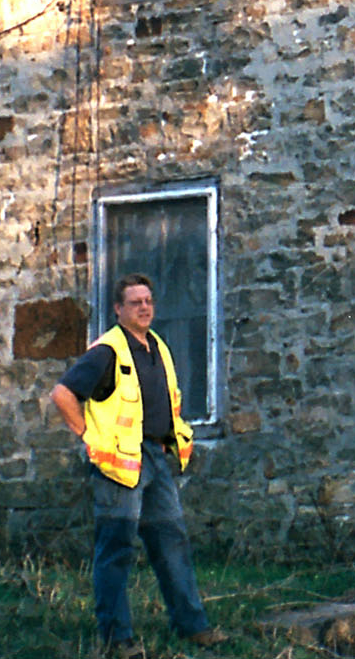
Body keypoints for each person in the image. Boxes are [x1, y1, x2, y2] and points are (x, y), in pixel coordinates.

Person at [49, 275, 228, 655]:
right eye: (135, 302)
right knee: (117, 549)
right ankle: (118, 640)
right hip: (119, 467)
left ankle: (192, 626)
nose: (144, 307)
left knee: (172, 543)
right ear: (118, 310)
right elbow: (62, 394)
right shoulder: (107, 351)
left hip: (155, 459)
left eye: (148, 300)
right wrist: (89, 437)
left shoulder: (157, 347)